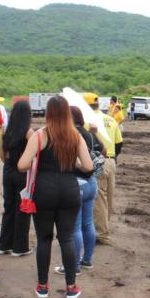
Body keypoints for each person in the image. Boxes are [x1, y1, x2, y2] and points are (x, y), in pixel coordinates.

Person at [18, 96, 93, 298]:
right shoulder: (75, 136)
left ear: (48, 113)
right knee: (66, 238)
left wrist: (35, 157)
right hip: (69, 190)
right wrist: (73, 162)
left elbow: (21, 165)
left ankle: (43, 286)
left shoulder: (40, 136)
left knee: (44, 239)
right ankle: (71, 287)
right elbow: (88, 166)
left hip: (44, 191)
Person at [54, 106, 100, 276]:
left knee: (75, 227)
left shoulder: (71, 136)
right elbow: (100, 149)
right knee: (88, 223)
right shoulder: (89, 133)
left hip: (77, 183)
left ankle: (74, 266)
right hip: (91, 182)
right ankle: (87, 260)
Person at [83, 93, 123, 246]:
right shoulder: (110, 119)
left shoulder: (87, 122)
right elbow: (119, 143)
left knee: (98, 198)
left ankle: (101, 234)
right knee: (109, 196)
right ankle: (105, 226)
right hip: (111, 161)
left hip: (98, 161)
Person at [0, 101, 33, 257]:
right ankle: (20, 247)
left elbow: (2, 156)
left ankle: (4, 245)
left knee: (9, 207)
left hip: (8, 171)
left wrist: (10, 165)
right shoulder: (29, 132)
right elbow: (33, 156)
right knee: (23, 208)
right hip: (23, 173)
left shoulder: (5, 130)